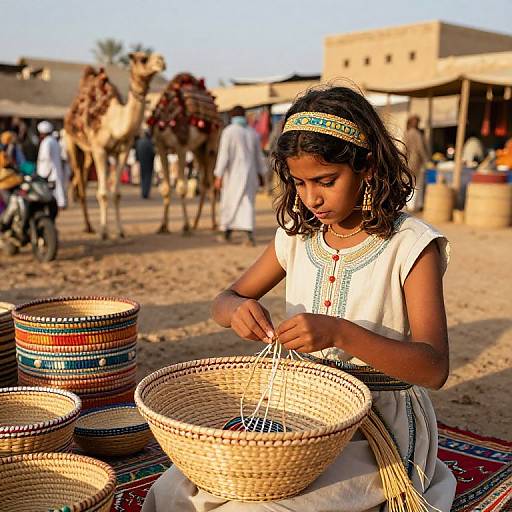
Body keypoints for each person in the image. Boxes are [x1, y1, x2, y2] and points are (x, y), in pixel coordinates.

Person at [142, 86, 456, 512]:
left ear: (366, 166)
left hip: (376, 425)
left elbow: (434, 367)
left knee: (254, 509)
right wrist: (236, 309)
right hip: (301, 413)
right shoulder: (297, 238)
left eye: (326, 181)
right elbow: (225, 299)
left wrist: (341, 333)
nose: (312, 198)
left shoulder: (411, 245)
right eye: (300, 183)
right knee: (176, 490)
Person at [214, 105, 267, 246]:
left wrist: (218, 175)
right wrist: (261, 175)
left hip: (232, 176)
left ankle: (227, 233)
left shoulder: (228, 132)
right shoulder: (252, 133)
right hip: (250, 175)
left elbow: (223, 156)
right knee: (247, 204)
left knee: (229, 203)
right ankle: (247, 236)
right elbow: (259, 157)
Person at [36, 121, 67, 208]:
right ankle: (60, 203)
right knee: (58, 187)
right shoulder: (53, 141)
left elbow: (46, 157)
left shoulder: (47, 142)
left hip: (49, 170)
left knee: (53, 188)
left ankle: (59, 204)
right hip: (55, 169)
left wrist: (46, 172)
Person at [404, 114, 428, 212]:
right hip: (416, 161)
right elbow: (421, 149)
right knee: (416, 184)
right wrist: (427, 161)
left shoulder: (407, 133)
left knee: (408, 182)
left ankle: (408, 204)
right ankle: (414, 206)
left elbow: (404, 148)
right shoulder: (417, 134)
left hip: (408, 160)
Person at [135, 130, 156, 199]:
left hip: (142, 162)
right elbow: (152, 153)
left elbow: (137, 152)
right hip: (148, 162)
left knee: (142, 176)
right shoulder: (149, 142)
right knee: (147, 177)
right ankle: (146, 193)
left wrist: (138, 160)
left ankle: (143, 192)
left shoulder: (139, 142)